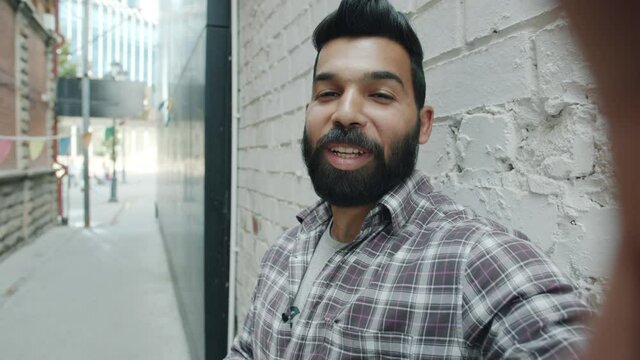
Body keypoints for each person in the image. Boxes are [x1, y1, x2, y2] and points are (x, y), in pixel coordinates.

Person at [226, 0, 590, 358]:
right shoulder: (284, 251)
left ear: (424, 124)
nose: (346, 113)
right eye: (329, 93)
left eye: (380, 95)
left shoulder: (473, 263)